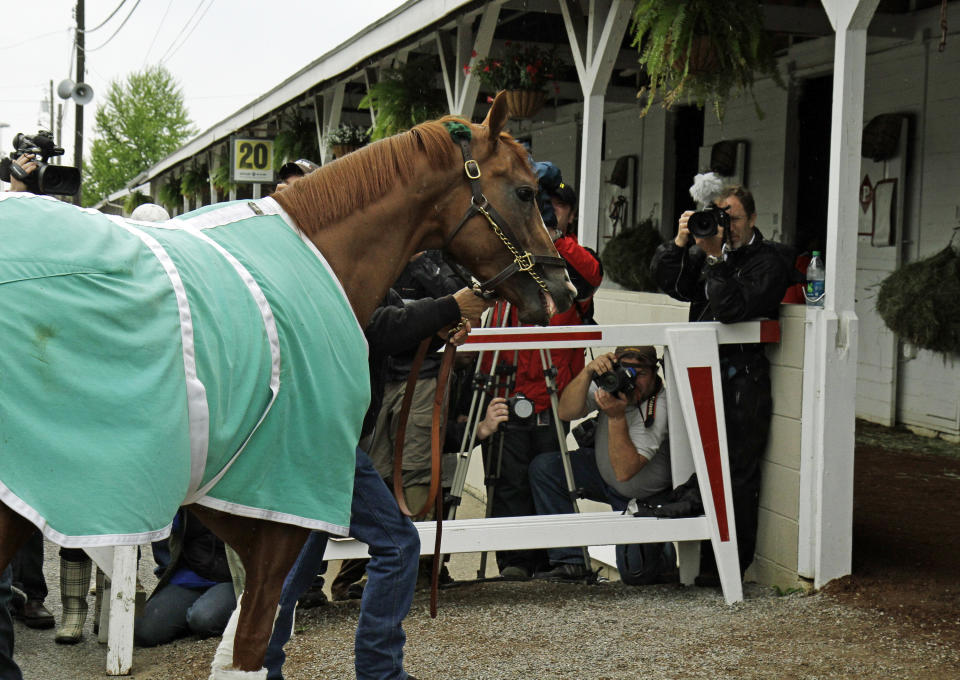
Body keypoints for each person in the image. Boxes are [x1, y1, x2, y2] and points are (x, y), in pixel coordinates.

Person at [262, 285, 490, 680]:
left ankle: (258, 666)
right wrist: (447, 307)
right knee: (398, 545)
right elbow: (369, 325)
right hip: (324, 436)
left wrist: (433, 333)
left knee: (294, 562)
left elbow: (377, 340)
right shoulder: (350, 261)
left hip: (315, 431)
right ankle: (379, 672)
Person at [650, 183, 791, 583]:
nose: (725, 226)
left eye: (734, 218)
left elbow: (730, 309)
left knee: (737, 475)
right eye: (719, 216)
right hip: (700, 374)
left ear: (753, 219)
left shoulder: (769, 261)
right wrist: (679, 244)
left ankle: (727, 568)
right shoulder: (706, 253)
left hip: (742, 379)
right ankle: (698, 564)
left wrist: (717, 260)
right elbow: (672, 286)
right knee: (698, 468)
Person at [483, 178, 603, 580]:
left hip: (555, 389)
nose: (549, 212)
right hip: (507, 384)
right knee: (506, 478)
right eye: (542, 205)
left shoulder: (572, 258)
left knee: (549, 472)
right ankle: (515, 562)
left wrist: (551, 237)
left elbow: (591, 278)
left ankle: (559, 559)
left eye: (557, 207)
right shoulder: (508, 248)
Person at [527, 346, 676, 584]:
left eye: (641, 372)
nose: (632, 380)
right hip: (601, 473)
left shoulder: (661, 407)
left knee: (637, 576)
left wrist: (616, 417)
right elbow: (564, 411)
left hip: (640, 496)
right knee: (547, 468)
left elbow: (625, 471)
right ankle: (570, 562)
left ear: (655, 372)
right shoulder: (613, 384)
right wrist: (588, 373)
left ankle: (662, 554)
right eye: (626, 370)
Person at [134, 510, 236, 647]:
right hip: (190, 574)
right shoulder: (188, 493)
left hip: (232, 577)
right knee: (145, 631)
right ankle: (193, 612)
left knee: (202, 620)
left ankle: (208, 611)